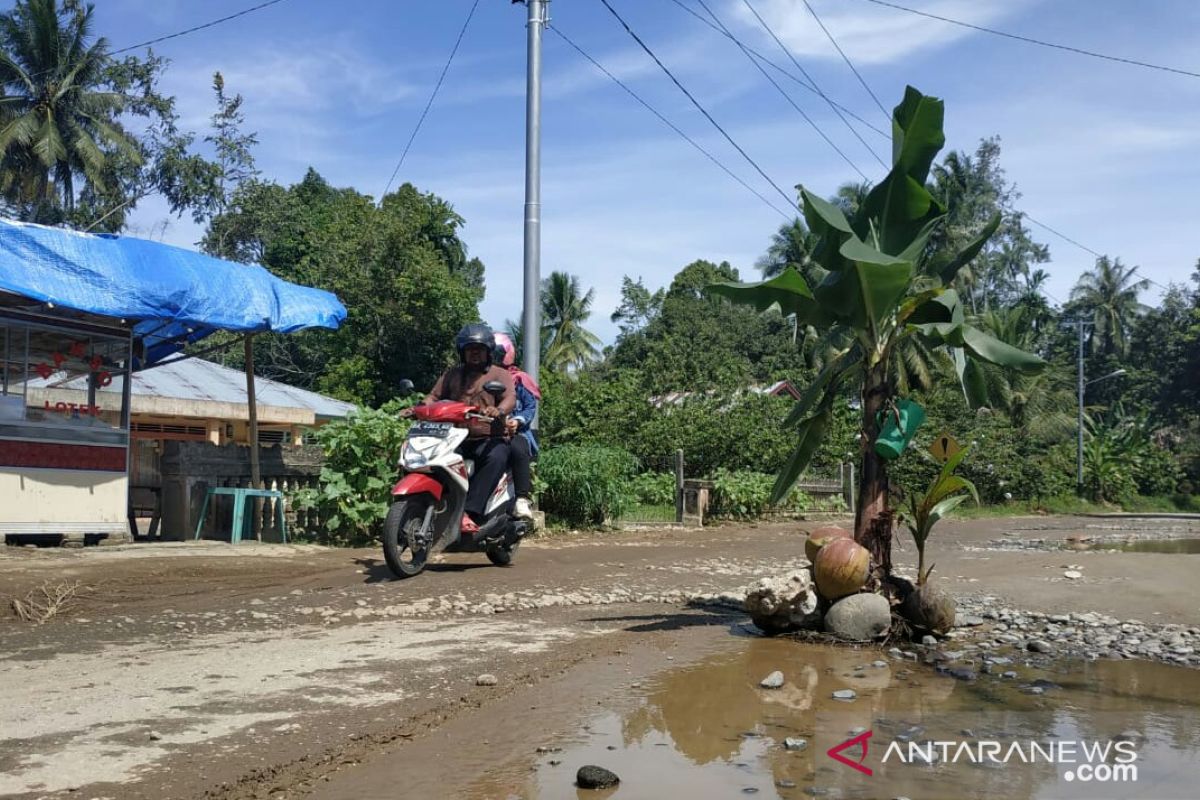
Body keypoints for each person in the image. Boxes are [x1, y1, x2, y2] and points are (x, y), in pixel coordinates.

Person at [419, 323, 515, 533]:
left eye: (479, 350)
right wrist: (419, 407)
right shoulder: (452, 374)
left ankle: (469, 513)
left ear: (488, 351)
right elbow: (434, 396)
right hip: (453, 437)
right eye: (470, 350)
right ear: (462, 352)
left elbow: (509, 398)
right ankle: (424, 506)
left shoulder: (499, 374)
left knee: (497, 456)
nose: (474, 354)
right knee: (428, 459)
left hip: (488, 438)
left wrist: (498, 410)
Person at [492, 332, 539, 520]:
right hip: (485, 431)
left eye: (495, 354)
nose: (491, 358)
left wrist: (517, 421)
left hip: (515, 432)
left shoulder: (520, 380)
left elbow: (529, 408)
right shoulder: (480, 378)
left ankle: (521, 499)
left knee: (518, 449)